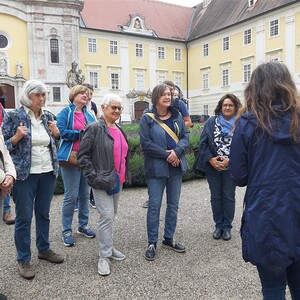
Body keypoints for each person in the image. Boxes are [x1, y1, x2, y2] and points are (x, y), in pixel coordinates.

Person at [229, 61, 300, 299]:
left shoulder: (248, 124)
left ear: (255, 88)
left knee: (272, 289)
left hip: (266, 215)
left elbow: (239, 176)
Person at [2, 79, 63, 280]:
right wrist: (16, 138)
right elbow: (3, 148)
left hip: (47, 172)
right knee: (24, 217)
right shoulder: (13, 117)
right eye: (37, 95)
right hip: (24, 175)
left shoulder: (48, 117)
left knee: (44, 213)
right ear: (27, 96)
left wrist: (56, 135)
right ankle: (23, 258)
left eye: (44, 94)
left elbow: (52, 142)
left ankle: (43, 249)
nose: (41, 98)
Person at [78, 93, 129, 276]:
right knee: (106, 215)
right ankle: (104, 256)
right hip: (101, 182)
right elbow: (82, 157)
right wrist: (94, 177)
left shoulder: (119, 128)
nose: (116, 111)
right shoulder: (94, 128)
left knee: (111, 215)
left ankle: (108, 247)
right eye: (113, 107)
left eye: (119, 108)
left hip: (117, 180)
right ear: (103, 108)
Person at [139, 83, 189, 261]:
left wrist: (176, 152)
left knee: (173, 205)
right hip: (156, 168)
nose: (168, 97)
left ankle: (168, 238)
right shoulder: (147, 118)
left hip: (175, 167)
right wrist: (167, 155)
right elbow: (145, 144)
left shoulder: (176, 116)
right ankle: (152, 241)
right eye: (163, 95)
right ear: (156, 98)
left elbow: (185, 137)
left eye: (169, 94)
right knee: (154, 206)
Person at [195, 93, 241, 241]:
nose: (227, 107)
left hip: (230, 166)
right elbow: (203, 143)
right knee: (215, 197)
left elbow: (243, 147)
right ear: (220, 107)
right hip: (212, 166)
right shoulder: (211, 122)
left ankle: (227, 227)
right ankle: (218, 225)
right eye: (225, 105)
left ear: (235, 108)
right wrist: (210, 159)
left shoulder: (240, 124)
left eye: (230, 105)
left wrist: (230, 160)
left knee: (228, 196)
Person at [57, 85, 96, 247]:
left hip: (86, 159)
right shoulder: (66, 112)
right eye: (82, 93)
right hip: (70, 158)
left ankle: (83, 225)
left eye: (87, 94)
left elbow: (94, 133)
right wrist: (80, 133)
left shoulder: (89, 114)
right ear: (74, 95)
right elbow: (60, 131)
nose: (85, 96)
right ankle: (66, 230)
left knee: (85, 195)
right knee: (71, 196)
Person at [81, 83, 100, 209]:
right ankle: (80, 199)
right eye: (88, 93)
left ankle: (92, 198)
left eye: (91, 94)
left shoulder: (93, 105)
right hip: (84, 141)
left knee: (94, 169)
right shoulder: (79, 106)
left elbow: (98, 119)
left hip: (94, 140)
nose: (89, 96)